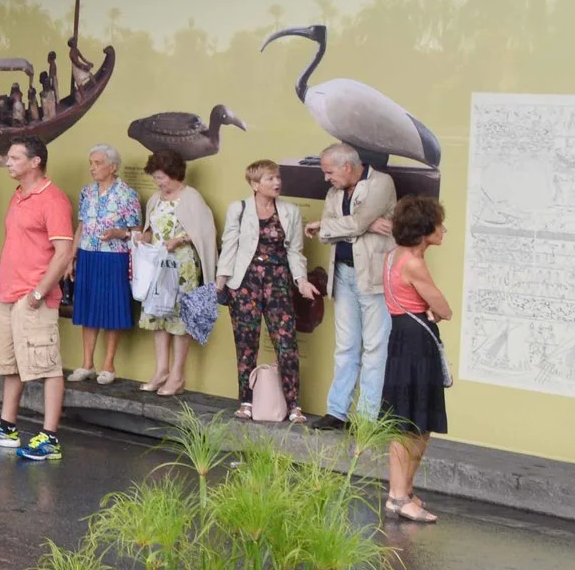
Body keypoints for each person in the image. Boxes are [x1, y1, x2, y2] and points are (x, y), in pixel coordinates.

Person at [0, 136, 75, 462]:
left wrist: (38, 293)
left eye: (15, 158)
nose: (8, 162)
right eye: (8, 157)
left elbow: (63, 253)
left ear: (35, 161)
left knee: (47, 366)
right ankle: (7, 427)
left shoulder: (53, 199)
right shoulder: (18, 195)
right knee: (9, 364)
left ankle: (50, 438)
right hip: (7, 294)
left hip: (33, 297)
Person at [218, 158, 318, 421]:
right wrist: (220, 282)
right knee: (245, 344)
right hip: (245, 283)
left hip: (278, 282)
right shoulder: (239, 209)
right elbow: (229, 246)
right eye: (270, 178)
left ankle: (294, 404)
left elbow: (295, 251)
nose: (276, 183)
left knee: (286, 343)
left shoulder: (290, 211)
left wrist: (301, 281)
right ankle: (246, 401)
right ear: (255, 184)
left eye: (277, 177)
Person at [306, 143, 395, 431]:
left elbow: (349, 224)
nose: (326, 178)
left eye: (329, 172)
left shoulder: (381, 182)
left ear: (347, 166)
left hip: (373, 277)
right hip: (343, 275)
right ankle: (337, 412)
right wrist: (364, 225)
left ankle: (367, 418)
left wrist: (338, 225)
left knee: (375, 349)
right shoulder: (334, 192)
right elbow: (327, 234)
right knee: (345, 347)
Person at [381, 195, 450, 522]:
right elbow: (444, 309)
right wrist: (435, 313)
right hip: (416, 343)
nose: (443, 230)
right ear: (424, 231)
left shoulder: (393, 255)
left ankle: (405, 492)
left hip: (403, 338)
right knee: (408, 424)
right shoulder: (413, 263)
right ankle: (397, 496)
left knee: (414, 421)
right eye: (439, 225)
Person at [134, 150, 215, 397]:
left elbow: (205, 232)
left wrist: (180, 239)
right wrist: (144, 236)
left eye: (161, 177)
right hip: (158, 265)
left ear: (174, 173)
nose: (158, 182)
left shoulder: (191, 198)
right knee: (158, 315)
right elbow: (152, 229)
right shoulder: (155, 199)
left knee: (179, 320)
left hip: (183, 266)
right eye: (155, 177)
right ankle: (161, 370)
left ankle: (177, 375)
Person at [66, 143, 142, 385]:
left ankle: (108, 365)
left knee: (112, 309)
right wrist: (72, 257)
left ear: (113, 167)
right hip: (88, 256)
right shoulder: (87, 192)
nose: (92, 168)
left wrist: (118, 233)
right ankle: (87, 363)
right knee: (87, 309)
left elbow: (137, 232)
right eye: (91, 163)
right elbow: (80, 227)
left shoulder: (127, 194)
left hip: (114, 257)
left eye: (97, 163)